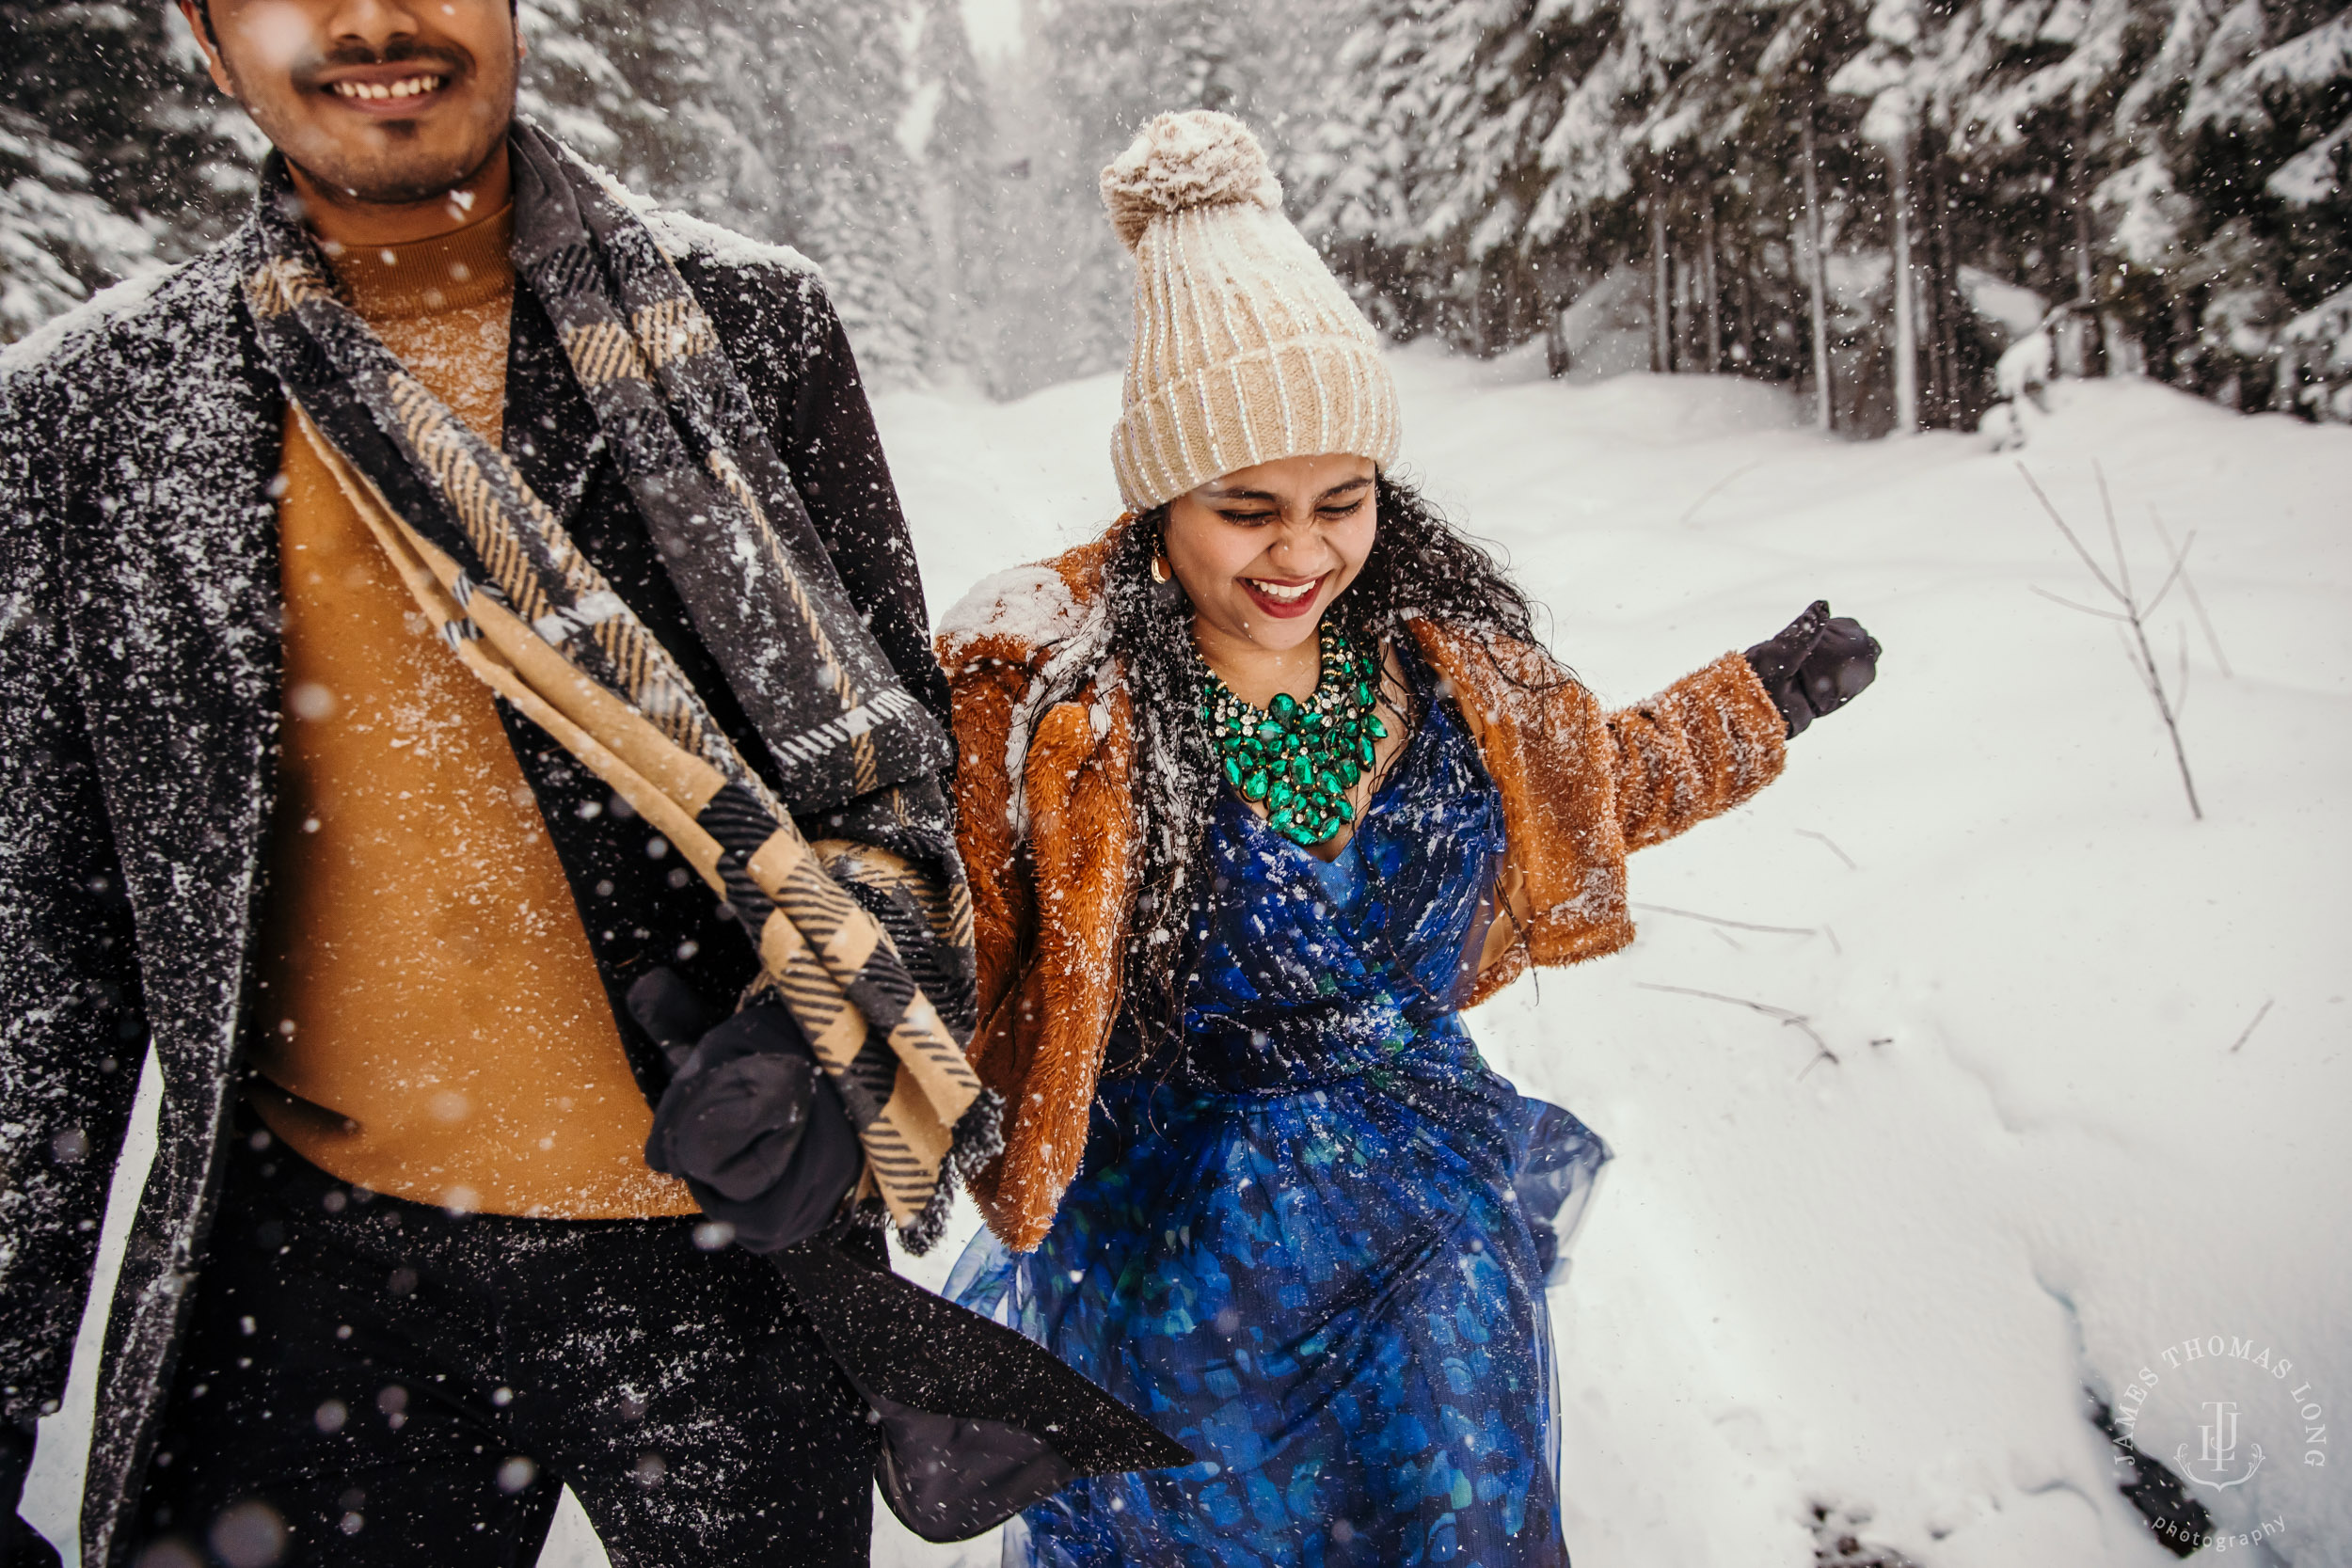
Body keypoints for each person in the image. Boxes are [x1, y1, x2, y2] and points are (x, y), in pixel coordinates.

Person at [0, 3, 1179, 1565]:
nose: (369, 18)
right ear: (207, 39)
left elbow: (899, 795)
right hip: (308, 1285)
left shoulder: (746, 331)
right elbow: (42, 964)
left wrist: (834, 1046)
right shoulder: (99, 415)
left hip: (721, 1270)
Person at [936, 111, 1882, 1565]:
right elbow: (948, 931)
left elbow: (1587, 798)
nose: (1301, 555)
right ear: (1157, 503)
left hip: (1432, 1269)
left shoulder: (1457, 674)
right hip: (1173, 1291)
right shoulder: (1060, 705)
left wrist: (1750, 706)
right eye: (1245, 509)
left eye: (1342, 502)